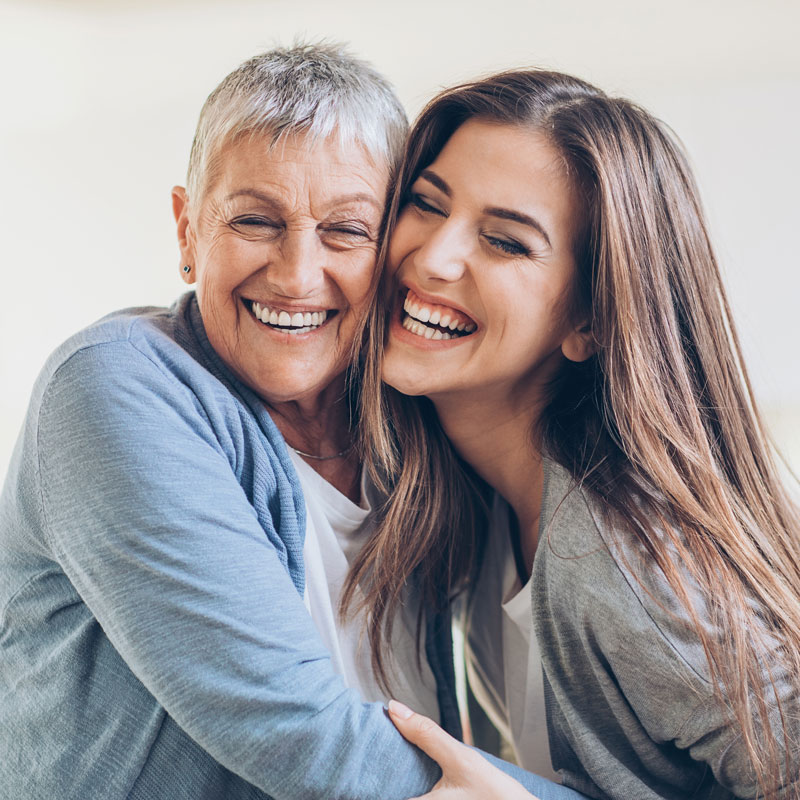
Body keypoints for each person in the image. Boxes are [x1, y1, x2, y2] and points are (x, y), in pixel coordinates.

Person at [0, 44, 580, 800]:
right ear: (187, 230)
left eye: (347, 231)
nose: (297, 275)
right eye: (254, 220)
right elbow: (300, 734)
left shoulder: (414, 425)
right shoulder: (114, 386)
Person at [349, 69, 800, 799]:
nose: (432, 258)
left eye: (505, 242)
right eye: (426, 204)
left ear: (588, 320)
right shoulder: (479, 506)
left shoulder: (627, 561)